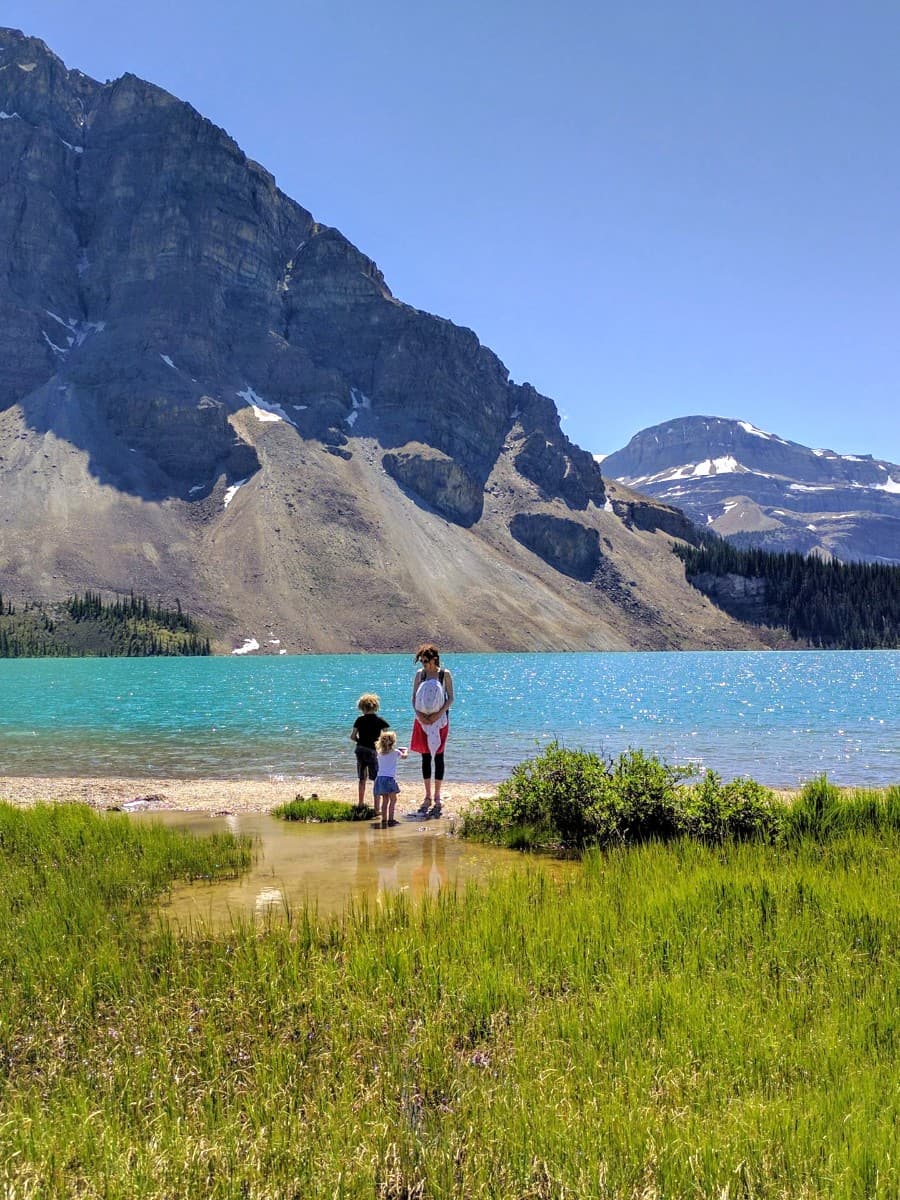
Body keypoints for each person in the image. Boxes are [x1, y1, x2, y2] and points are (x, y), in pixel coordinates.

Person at [409, 643, 453, 818]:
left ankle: (437, 795)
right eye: (421, 661)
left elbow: (451, 698)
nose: (424, 664)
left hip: (440, 720)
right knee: (425, 756)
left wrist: (437, 715)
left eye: (426, 661)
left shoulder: (445, 674)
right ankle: (427, 795)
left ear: (434, 659)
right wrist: (419, 714)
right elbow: (413, 697)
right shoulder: (420, 675)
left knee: (439, 756)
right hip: (421, 720)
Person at [349, 693, 390, 812]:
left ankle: (361, 803)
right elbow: (386, 737)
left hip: (360, 749)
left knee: (362, 778)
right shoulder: (380, 721)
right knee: (376, 778)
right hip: (373, 751)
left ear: (362, 707)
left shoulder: (359, 720)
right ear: (375, 707)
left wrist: (360, 741)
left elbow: (352, 736)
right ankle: (377, 808)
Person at [372, 730, 408, 826]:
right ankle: (391, 819)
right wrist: (405, 751)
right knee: (393, 800)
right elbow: (404, 757)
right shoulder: (395, 752)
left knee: (385, 800)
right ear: (393, 742)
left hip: (380, 779)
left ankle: (384, 820)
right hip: (389, 779)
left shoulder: (379, 753)